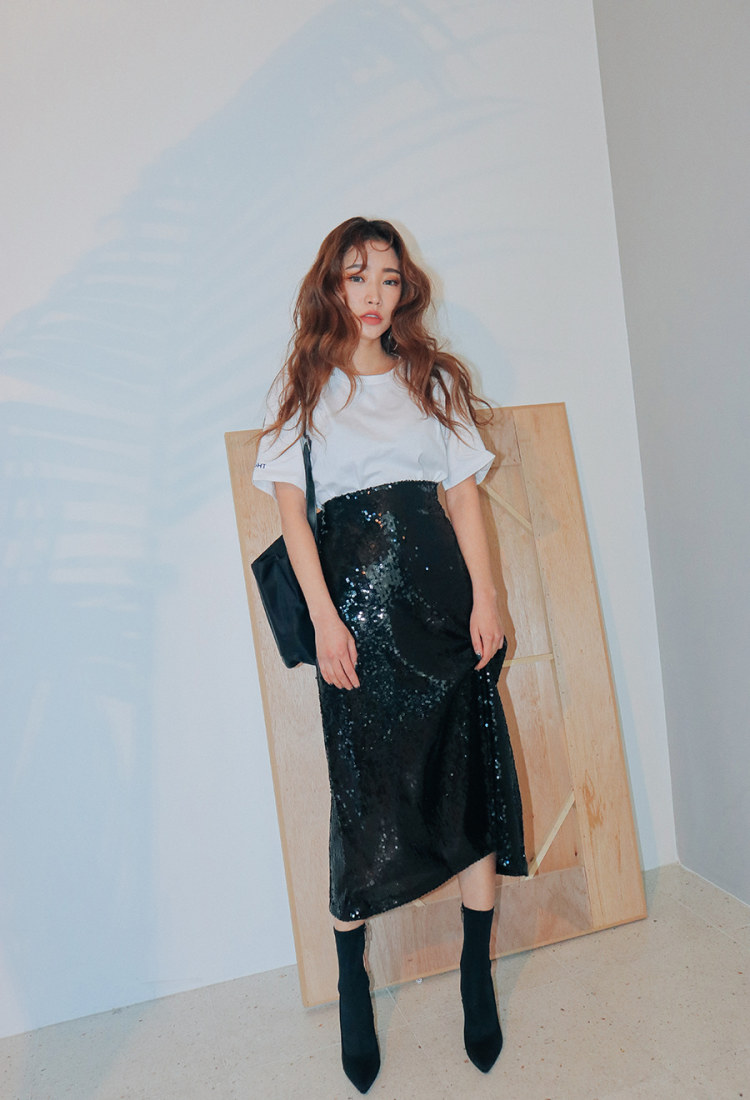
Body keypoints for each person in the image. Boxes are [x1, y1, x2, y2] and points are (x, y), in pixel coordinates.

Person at [253, 216, 527, 1093]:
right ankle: (352, 982)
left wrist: (487, 598)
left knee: (466, 780)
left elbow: (463, 499)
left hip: (443, 616)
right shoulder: (305, 386)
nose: (373, 294)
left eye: (387, 278)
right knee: (361, 797)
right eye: (355, 276)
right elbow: (294, 519)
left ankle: (476, 972)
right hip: (360, 631)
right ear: (330, 285)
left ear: (405, 289)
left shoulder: (429, 379)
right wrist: (327, 621)